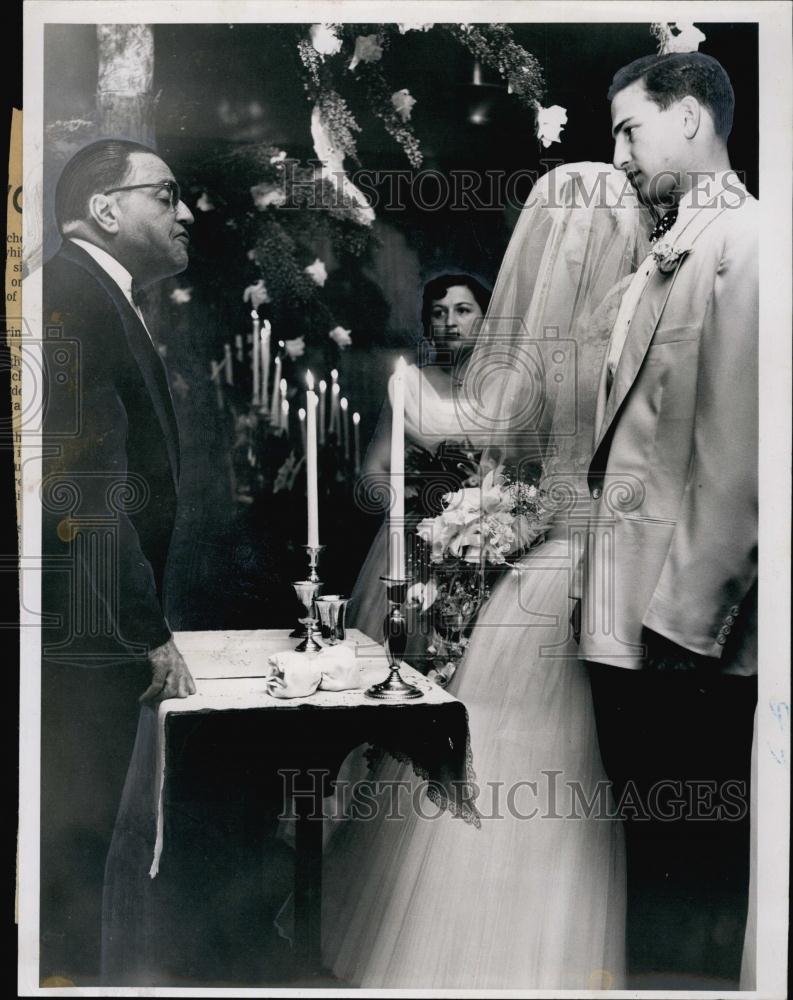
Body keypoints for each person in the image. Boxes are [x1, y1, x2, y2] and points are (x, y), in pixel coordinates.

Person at [317, 163, 650, 988]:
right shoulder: (624, 323)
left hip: (546, 569)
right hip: (581, 563)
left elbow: (490, 431)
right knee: (543, 757)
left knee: (527, 751)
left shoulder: (542, 355)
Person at [575, 53, 758, 986]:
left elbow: (740, 458)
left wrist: (685, 631)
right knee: (648, 865)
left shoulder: (752, 241)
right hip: (622, 628)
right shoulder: (664, 251)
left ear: (689, 119)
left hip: (684, 640)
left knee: (693, 881)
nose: (617, 155)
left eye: (627, 129)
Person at [40, 139, 196, 982]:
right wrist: (144, 628)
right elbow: (87, 487)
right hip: (85, 630)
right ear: (107, 210)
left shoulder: (96, 294)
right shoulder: (74, 295)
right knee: (69, 851)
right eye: (166, 196)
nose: (186, 213)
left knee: (80, 843)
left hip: (84, 623)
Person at [346, 272, 492, 665]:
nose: (450, 322)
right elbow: (373, 470)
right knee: (407, 655)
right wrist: (409, 505)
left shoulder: (506, 388)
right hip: (414, 546)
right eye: (438, 313)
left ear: (486, 319)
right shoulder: (408, 385)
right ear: (428, 325)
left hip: (485, 546)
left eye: (463, 310)